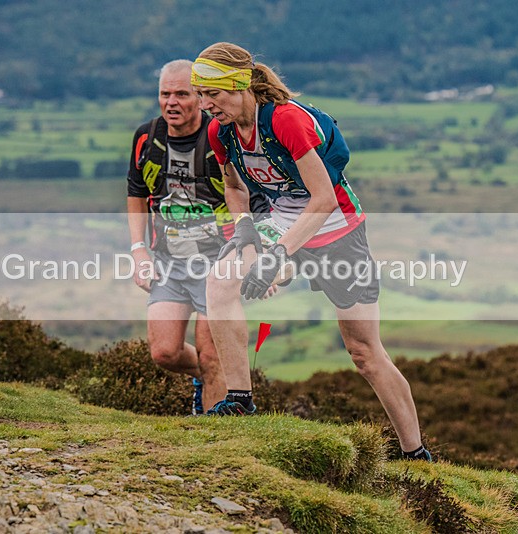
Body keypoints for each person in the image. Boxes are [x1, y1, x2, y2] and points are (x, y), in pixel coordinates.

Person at [191, 43, 432, 460]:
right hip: (281, 220)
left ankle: (416, 454)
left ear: (241, 84)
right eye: (201, 94)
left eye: (214, 94)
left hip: (337, 227)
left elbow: (322, 200)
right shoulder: (221, 131)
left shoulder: (286, 121)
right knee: (221, 279)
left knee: (364, 352)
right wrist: (246, 230)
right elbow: (234, 187)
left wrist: (276, 256)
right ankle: (240, 398)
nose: (206, 104)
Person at [127, 59, 267, 415]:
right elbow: (135, 194)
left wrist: (257, 258)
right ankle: (205, 379)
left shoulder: (220, 136)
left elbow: (250, 195)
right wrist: (138, 250)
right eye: (165, 94)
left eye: (182, 94)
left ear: (200, 97)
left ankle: (214, 437)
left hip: (218, 262)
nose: (172, 102)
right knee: (164, 352)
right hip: (168, 261)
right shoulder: (147, 137)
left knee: (211, 353)